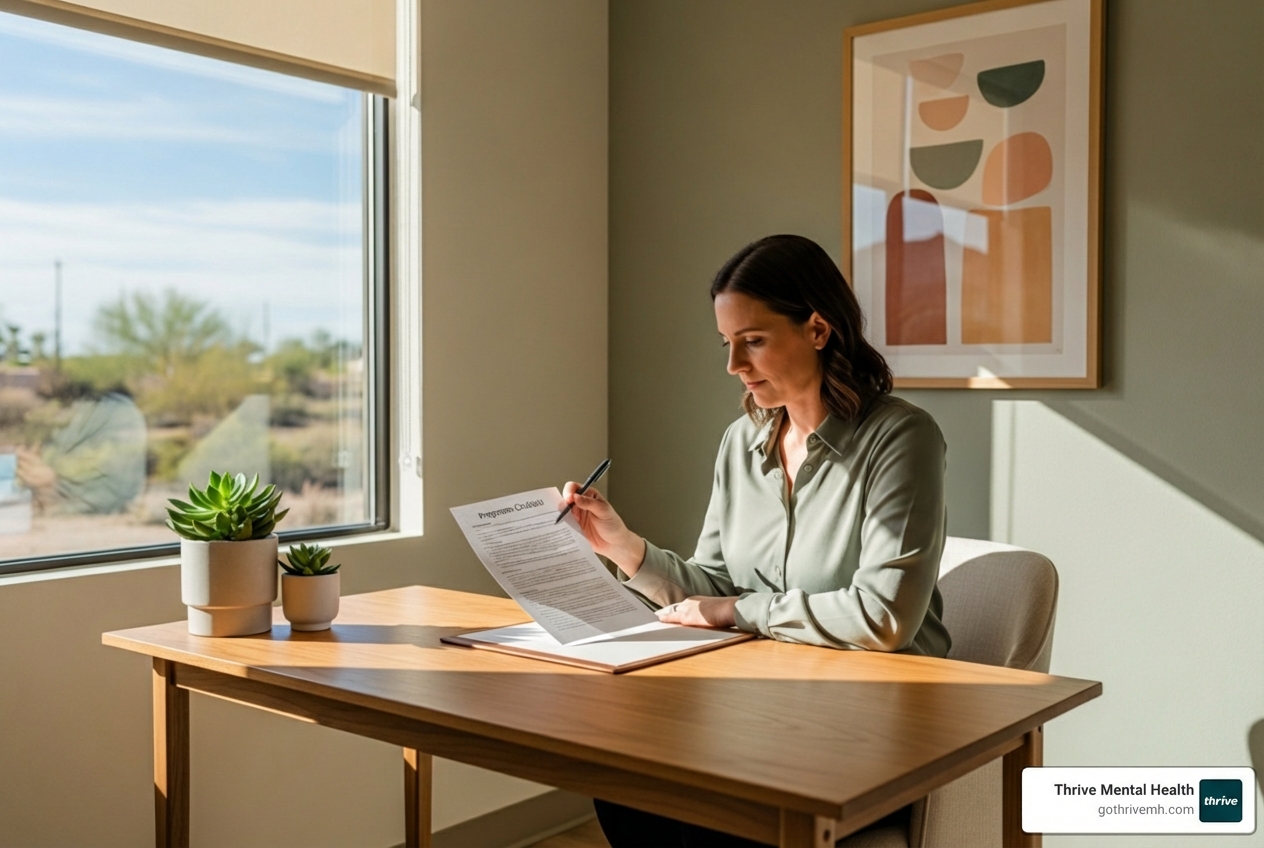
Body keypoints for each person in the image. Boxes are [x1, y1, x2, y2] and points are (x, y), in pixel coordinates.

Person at [562, 235, 950, 848]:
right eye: (727, 343)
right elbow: (714, 586)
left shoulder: (902, 439)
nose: (734, 365)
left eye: (754, 340)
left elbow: (884, 618)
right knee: (625, 787)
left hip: (875, 726)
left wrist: (735, 611)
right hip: (764, 709)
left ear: (818, 329)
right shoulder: (739, 444)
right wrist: (624, 547)